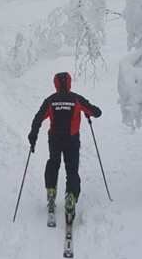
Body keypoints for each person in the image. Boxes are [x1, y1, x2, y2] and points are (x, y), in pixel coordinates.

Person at [28, 72, 102, 223]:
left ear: (55, 84)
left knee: (53, 163)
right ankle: (71, 198)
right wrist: (90, 113)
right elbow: (96, 112)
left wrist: (33, 136)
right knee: (72, 169)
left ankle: (50, 192)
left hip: (54, 139)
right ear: (69, 83)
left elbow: (38, 118)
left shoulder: (50, 100)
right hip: (72, 139)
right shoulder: (76, 99)